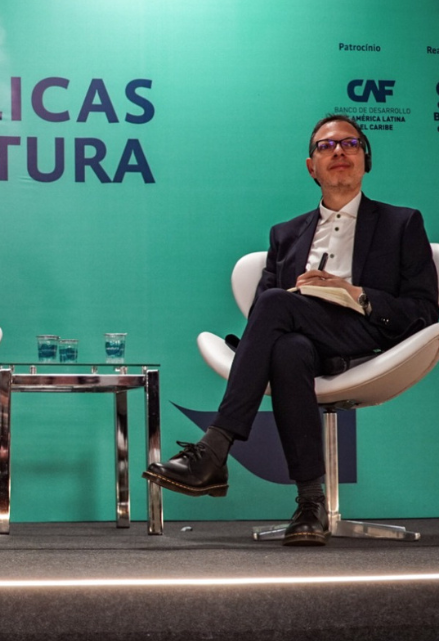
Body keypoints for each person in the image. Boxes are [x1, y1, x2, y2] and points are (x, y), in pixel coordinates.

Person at [143, 114, 437, 546]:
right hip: (304, 340)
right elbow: (265, 312)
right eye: (325, 146)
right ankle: (310, 504)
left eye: (351, 144)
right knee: (287, 350)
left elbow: (425, 309)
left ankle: (215, 449)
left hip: (370, 338)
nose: (339, 151)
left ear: (365, 160)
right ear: (310, 167)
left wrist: (355, 294)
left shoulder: (402, 223)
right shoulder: (285, 235)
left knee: (278, 303)